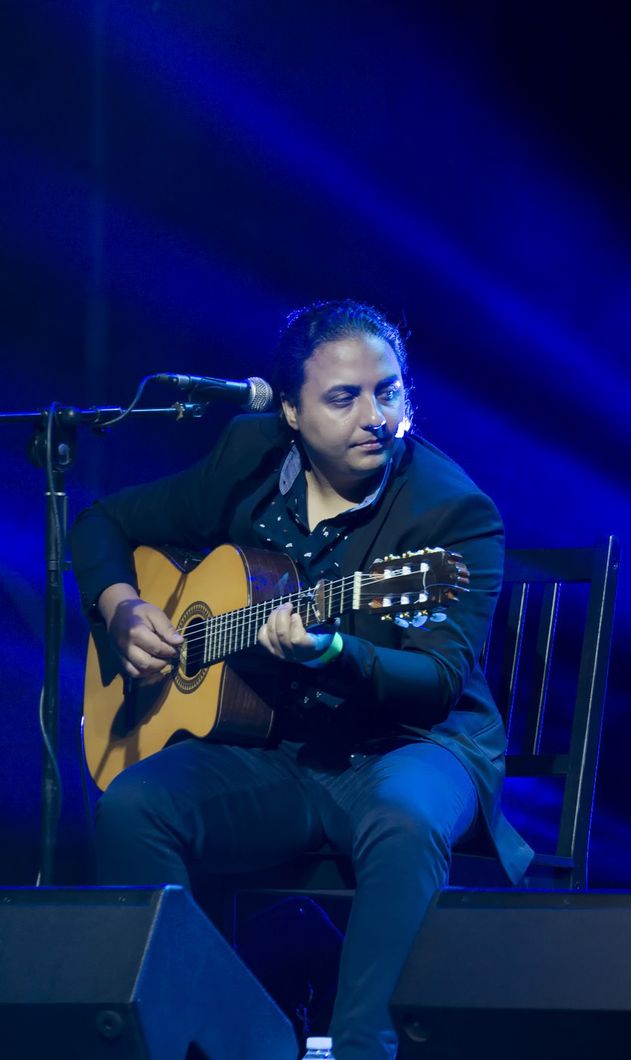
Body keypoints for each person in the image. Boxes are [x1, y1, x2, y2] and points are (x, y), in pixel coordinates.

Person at [71, 300, 532, 1059]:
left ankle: (363, 1049)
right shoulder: (246, 457)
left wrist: (329, 653)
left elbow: (439, 680)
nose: (375, 417)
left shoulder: (454, 512)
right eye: (344, 398)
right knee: (135, 807)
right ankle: (204, 1039)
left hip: (414, 745)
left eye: (390, 391)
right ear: (289, 409)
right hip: (274, 749)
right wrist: (122, 609)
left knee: (405, 815)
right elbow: (104, 523)